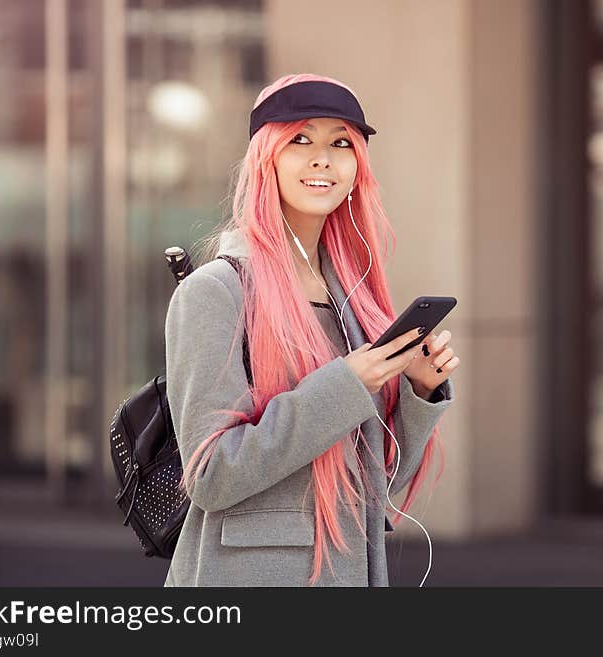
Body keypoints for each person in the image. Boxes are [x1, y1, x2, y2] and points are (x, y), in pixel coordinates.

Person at [162, 74, 459, 587]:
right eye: (301, 139)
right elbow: (210, 476)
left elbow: (377, 494)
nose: (322, 158)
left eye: (341, 142)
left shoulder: (352, 300)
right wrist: (347, 384)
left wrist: (417, 391)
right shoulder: (216, 292)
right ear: (266, 157)